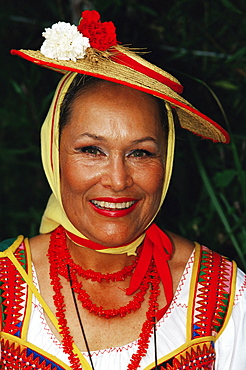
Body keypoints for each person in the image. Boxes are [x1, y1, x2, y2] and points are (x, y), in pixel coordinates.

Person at [1, 9, 245, 370]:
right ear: (54, 154)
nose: (117, 180)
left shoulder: (224, 297)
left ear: (167, 161)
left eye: (140, 153)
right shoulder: (6, 288)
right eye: (92, 150)